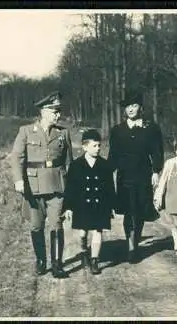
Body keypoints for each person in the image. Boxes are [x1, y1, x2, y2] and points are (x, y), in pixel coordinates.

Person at [10, 91, 73, 278]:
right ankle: (40, 261)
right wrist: (18, 180)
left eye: (59, 110)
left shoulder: (63, 133)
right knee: (36, 226)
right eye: (54, 111)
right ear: (44, 111)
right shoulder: (26, 131)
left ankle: (56, 264)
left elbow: (69, 163)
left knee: (56, 225)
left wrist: (70, 188)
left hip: (56, 185)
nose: (58, 114)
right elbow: (17, 157)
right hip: (34, 186)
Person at [107, 91, 164, 264]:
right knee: (128, 211)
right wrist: (105, 172)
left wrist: (156, 171)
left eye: (134, 106)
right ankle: (131, 246)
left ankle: (135, 242)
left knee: (139, 211)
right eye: (127, 107)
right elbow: (113, 155)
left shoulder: (151, 128)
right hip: (124, 176)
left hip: (143, 175)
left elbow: (157, 152)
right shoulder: (117, 130)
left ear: (140, 107)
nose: (130, 109)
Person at [63, 129, 116, 275]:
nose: (98, 148)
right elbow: (70, 188)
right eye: (94, 146)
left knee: (98, 231)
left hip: (100, 204)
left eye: (99, 145)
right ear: (84, 147)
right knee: (82, 233)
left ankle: (94, 260)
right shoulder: (76, 165)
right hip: (82, 205)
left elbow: (110, 187)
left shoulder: (105, 165)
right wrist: (68, 207)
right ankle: (84, 250)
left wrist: (111, 206)